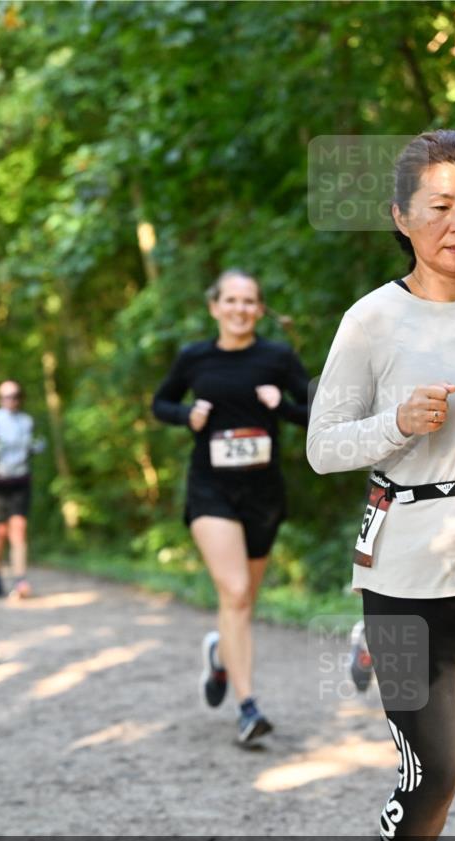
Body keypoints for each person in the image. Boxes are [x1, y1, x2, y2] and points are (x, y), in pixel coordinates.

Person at [307, 129, 455, 841]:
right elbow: (320, 446)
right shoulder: (371, 319)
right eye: (439, 208)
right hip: (397, 577)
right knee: (438, 766)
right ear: (400, 216)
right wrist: (395, 425)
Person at [153, 269, 309, 744]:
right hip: (210, 489)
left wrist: (281, 405)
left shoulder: (277, 357)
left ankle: (221, 654)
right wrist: (186, 415)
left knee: (243, 602)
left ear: (259, 309)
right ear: (215, 307)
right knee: (235, 591)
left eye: (250, 302)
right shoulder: (194, 357)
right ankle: (247, 707)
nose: (240, 309)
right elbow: (161, 403)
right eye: (232, 301)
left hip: (263, 493)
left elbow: (318, 413)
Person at [0, 380, 42, 599]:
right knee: (1, 532)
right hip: (0, 483)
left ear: (20, 398)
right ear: (0, 399)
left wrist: (35, 447)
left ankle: (20, 579)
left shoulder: (27, 421)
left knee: (19, 528)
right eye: (5, 397)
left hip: (21, 481)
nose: (10, 401)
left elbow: (31, 446)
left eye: (14, 396)